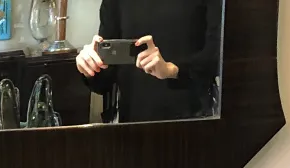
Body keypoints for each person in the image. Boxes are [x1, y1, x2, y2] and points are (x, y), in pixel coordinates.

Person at [74, 0, 221, 123]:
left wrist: (172, 70)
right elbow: (104, 81)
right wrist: (90, 66)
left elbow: (217, 56)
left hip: (194, 121)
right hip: (134, 124)